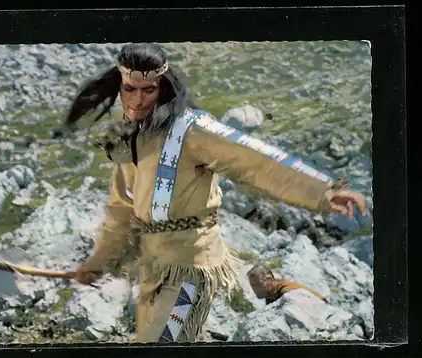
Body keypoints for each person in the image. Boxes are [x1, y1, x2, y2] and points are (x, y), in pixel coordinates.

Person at [64, 43, 367, 343]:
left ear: (164, 88)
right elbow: (121, 211)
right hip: (152, 270)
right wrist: (96, 264)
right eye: (130, 88)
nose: (138, 99)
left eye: (149, 90)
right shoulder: (129, 141)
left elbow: (255, 160)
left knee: (163, 344)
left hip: (191, 269)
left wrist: (323, 191)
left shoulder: (193, 129)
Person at [247, 265, 330, 305]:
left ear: (269, 280)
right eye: (252, 285)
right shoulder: (270, 295)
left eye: (257, 284)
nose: (254, 289)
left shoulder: (286, 291)